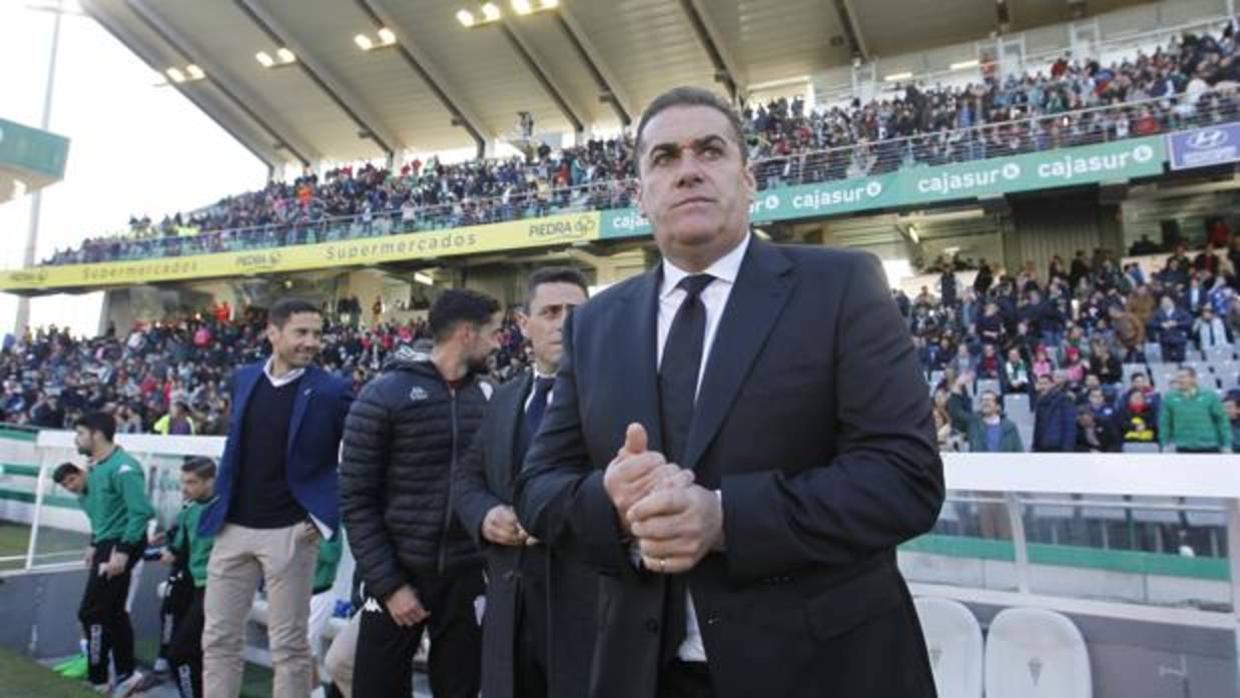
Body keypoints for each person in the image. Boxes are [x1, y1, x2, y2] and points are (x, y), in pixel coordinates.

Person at [515, 87, 943, 698]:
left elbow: (906, 479)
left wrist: (725, 519)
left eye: (709, 151)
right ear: (640, 196)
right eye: (664, 158)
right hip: (643, 673)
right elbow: (537, 488)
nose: (688, 169)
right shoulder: (596, 322)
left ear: (747, 179)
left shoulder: (841, 286)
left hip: (819, 671)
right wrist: (608, 500)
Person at [341, 288, 502, 698]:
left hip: (467, 577)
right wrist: (391, 586)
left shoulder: (490, 397)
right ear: (467, 333)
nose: (498, 342)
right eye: (494, 332)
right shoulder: (383, 395)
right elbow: (357, 500)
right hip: (396, 576)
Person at [199, 298, 354, 698]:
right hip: (232, 527)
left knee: (289, 647)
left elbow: (359, 455)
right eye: (301, 332)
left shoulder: (332, 390)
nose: (312, 342)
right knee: (218, 640)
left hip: (290, 533)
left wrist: (322, 516)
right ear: (273, 333)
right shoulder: (244, 377)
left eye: (317, 334)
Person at [454, 268, 593, 698]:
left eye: (575, 311)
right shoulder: (507, 397)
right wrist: (486, 515)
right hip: (509, 607)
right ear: (523, 323)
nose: (564, 322)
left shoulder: (621, 393)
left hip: (586, 607)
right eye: (550, 312)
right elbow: (466, 478)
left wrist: (554, 515)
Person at [53, 411, 155, 696]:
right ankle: (126, 674)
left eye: (80, 433)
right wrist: (95, 542)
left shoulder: (125, 468)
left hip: (121, 545)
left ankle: (99, 680)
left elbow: (142, 512)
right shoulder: (97, 468)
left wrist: (121, 552)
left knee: (91, 611)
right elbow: (105, 515)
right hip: (108, 544)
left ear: (96, 433)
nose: (77, 439)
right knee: (112, 612)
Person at [164, 457, 218, 698]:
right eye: (183, 482)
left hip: (219, 588)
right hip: (195, 588)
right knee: (188, 652)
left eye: (192, 482)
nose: (185, 488)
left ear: (211, 481)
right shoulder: (189, 512)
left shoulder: (228, 508)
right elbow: (180, 551)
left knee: (181, 653)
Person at [1159, 368, 1232, 454]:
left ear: (1193, 378)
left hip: (1209, 446)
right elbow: (1165, 423)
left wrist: (1226, 444)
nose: (1179, 380)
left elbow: (1222, 420)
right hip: (1182, 447)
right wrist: (1165, 444)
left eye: (1182, 377)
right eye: (1178, 378)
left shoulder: (1209, 396)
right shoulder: (1169, 398)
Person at [1033, 373, 1078, 453]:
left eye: (1045, 383)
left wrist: (1067, 448)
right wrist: (1035, 445)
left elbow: (1070, 426)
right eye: (1040, 383)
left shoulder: (1064, 400)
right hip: (1041, 445)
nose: (1042, 386)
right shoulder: (1039, 402)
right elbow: (1038, 426)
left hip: (1058, 446)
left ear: (1052, 384)